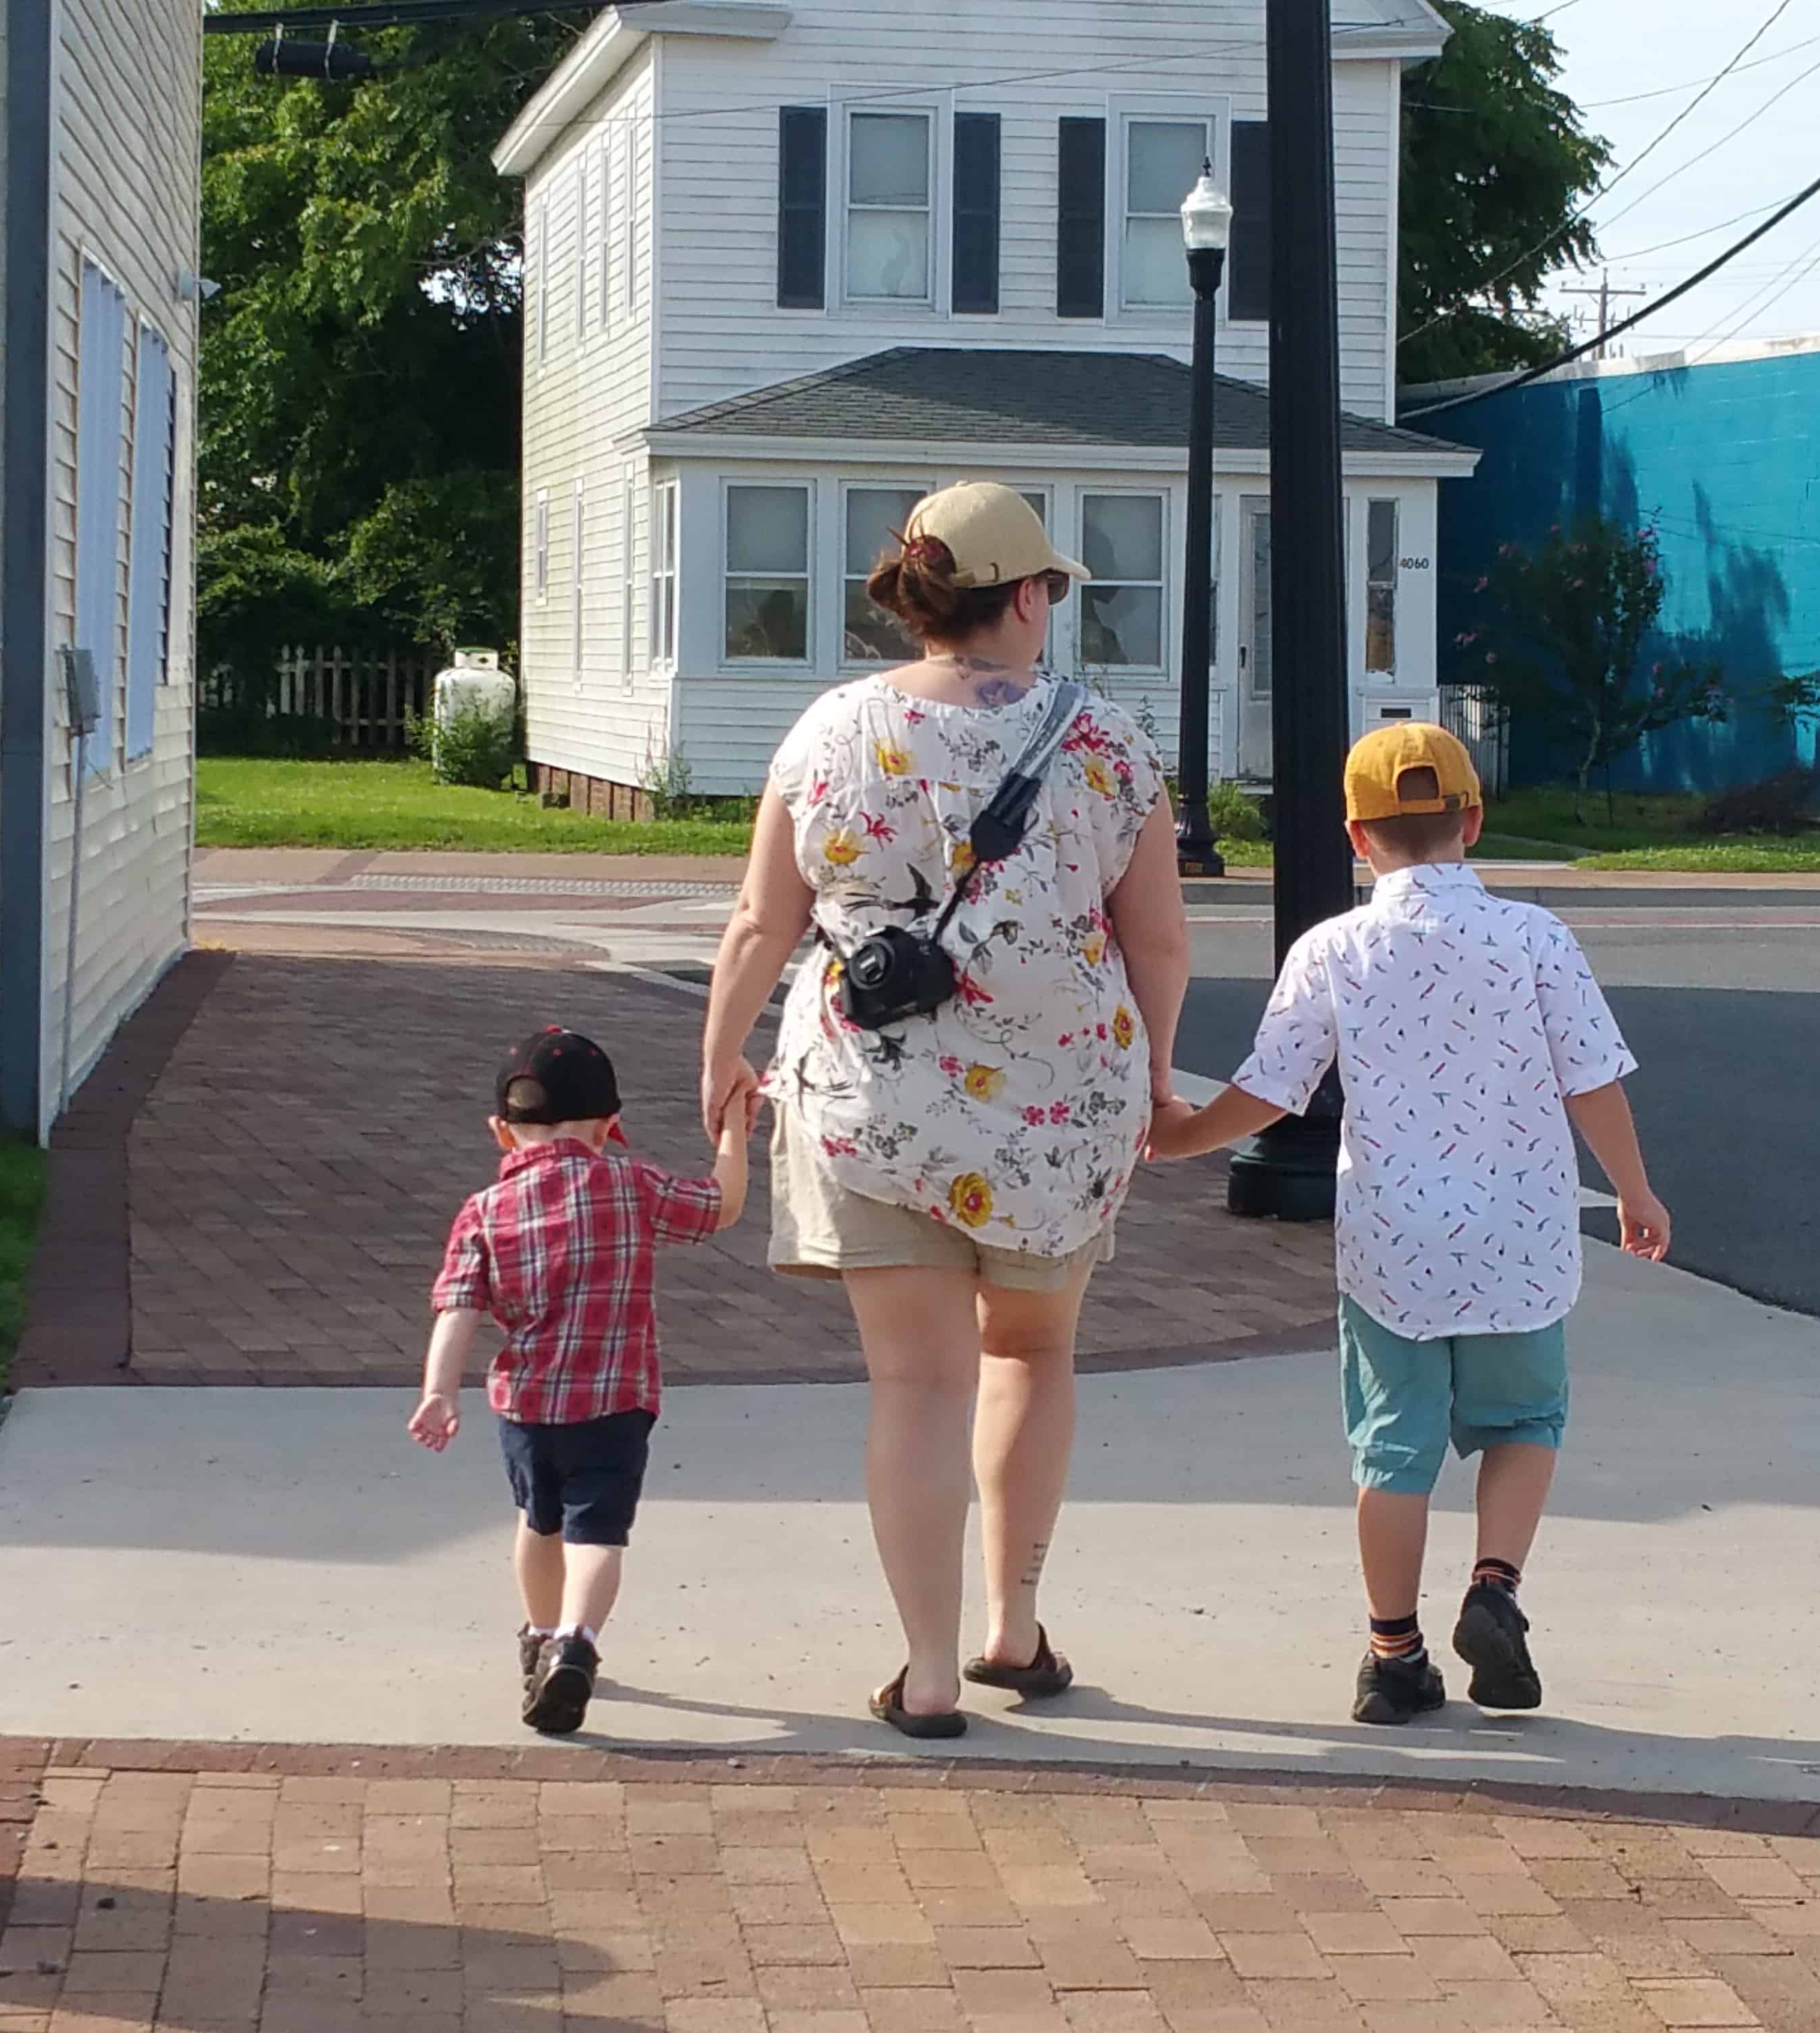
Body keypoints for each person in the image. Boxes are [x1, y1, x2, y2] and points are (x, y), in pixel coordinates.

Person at [700, 481, 1189, 1739]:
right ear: (1024, 595)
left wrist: (719, 1055)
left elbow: (763, 918)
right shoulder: (1107, 743)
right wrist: (1153, 1073)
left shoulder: (825, 729)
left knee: (912, 1385)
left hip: (873, 1105)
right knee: (1028, 1352)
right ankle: (1011, 1627)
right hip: (1054, 1108)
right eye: (1051, 591)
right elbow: (1157, 942)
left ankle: (922, 1667)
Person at [1147, 723, 1671, 1725]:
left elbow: (1272, 1087)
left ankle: (1392, 1658)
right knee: (1524, 1421)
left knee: (1391, 1450)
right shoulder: (1534, 938)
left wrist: (1177, 1140)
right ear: (1471, 820)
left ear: (1355, 836)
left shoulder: (1332, 949)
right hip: (1519, 1232)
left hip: (1393, 1242)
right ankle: (1493, 1587)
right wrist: (1634, 1192)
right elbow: (1589, 1078)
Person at [407, 1028, 752, 1737]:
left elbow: (458, 1308)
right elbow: (720, 1207)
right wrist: (735, 1134)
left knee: (540, 1523)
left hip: (529, 1407)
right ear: (611, 1126)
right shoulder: (630, 1183)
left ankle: (539, 1633)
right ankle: (580, 1641)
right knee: (598, 1534)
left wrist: (439, 1391)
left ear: (501, 1132)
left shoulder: (483, 1210)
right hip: (617, 1403)